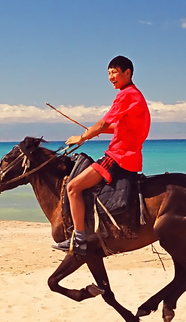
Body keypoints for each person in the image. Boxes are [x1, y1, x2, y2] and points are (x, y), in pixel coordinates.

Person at [52, 55, 151, 255]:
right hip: (129, 155)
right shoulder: (135, 95)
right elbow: (120, 126)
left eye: (114, 72)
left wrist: (82, 137)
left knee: (72, 188)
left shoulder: (126, 95)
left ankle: (79, 239)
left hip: (119, 156)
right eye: (108, 73)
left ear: (127, 73)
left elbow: (104, 123)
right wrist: (94, 131)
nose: (111, 77)